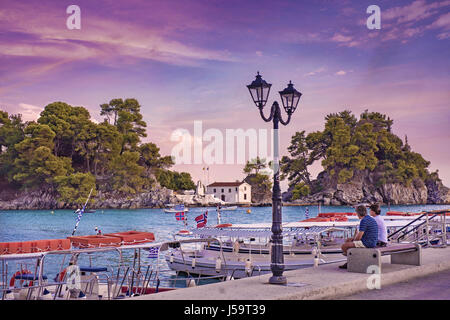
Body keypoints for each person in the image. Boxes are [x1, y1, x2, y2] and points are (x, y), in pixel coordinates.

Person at [339, 205, 378, 269]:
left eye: (356, 213)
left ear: (358, 213)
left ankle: (353, 261)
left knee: (344, 246)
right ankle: (350, 260)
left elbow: (359, 235)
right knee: (348, 240)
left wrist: (353, 241)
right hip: (371, 241)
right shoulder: (370, 218)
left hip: (368, 243)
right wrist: (352, 240)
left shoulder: (364, 221)